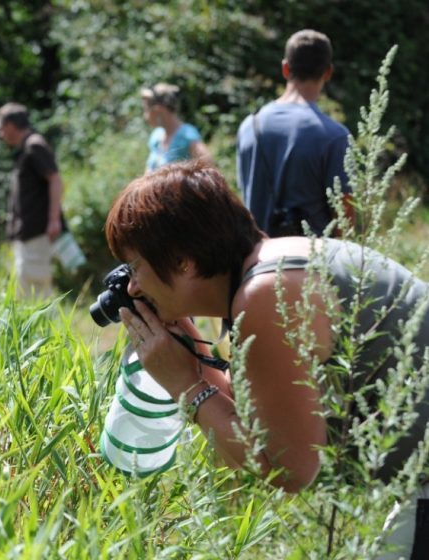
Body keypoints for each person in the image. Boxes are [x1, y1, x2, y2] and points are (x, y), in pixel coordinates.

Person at [105, 160, 428, 557]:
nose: (133, 286)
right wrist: (193, 352)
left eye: (135, 266)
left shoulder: (265, 295)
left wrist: (185, 387)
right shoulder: (265, 271)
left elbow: (288, 468)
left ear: (182, 261)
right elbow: (261, 424)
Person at [236, 29, 354, 237]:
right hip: (311, 261)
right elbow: (344, 218)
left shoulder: (249, 127)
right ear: (328, 72)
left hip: (255, 259)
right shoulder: (335, 136)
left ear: (285, 68)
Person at [0, 102, 65, 298]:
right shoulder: (27, 147)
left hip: (38, 230)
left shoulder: (34, 145)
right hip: (29, 232)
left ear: (10, 126)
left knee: (35, 280)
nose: (0, 134)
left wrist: (53, 220)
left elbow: (55, 179)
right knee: (25, 279)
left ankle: (44, 325)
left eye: (1, 128)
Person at [140, 82, 212, 173]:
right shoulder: (156, 136)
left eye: (146, 110)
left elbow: (209, 168)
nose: (145, 116)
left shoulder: (187, 135)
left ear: (158, 109)